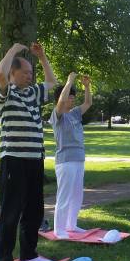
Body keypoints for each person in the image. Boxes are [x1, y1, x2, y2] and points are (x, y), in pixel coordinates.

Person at [0, 41, 57, 261]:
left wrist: (42, 57)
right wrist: (12, 50)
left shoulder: (33, 93)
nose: (30, 77)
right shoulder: (5, 93)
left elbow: (51, 82)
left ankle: (29, 253)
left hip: (34, 158)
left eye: (32, 73)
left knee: (34, 209)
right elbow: (0, 73)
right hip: (14, 159)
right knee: (11, 211)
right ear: (14, 73)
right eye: (25, 73)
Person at [49, 72, 93, 239]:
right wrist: (69, 81)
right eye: (70, 96)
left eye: (73, 97)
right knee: (65, 195)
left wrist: (87, 87)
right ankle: (59, 230)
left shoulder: (74, 113)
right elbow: (61, 102)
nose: (72, 99)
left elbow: (88, 103)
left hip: (78, 159)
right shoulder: (57, 115)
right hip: (65, 161)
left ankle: (71, 225)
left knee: (77, 195)